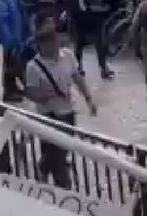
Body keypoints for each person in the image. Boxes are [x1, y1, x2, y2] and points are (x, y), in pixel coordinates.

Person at [24, 18, 96, 189]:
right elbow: (31, 93)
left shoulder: (68, 56)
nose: (54, 48)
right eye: (49, 44)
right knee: (58, 157)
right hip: (48, 116)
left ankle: (44, 166)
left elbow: (77, 77)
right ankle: (64, 189)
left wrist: (88, 98)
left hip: (67, 112)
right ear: (42, 45)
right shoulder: (33, 67)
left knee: (62, 149)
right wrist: (46, 95)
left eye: (56, 43)